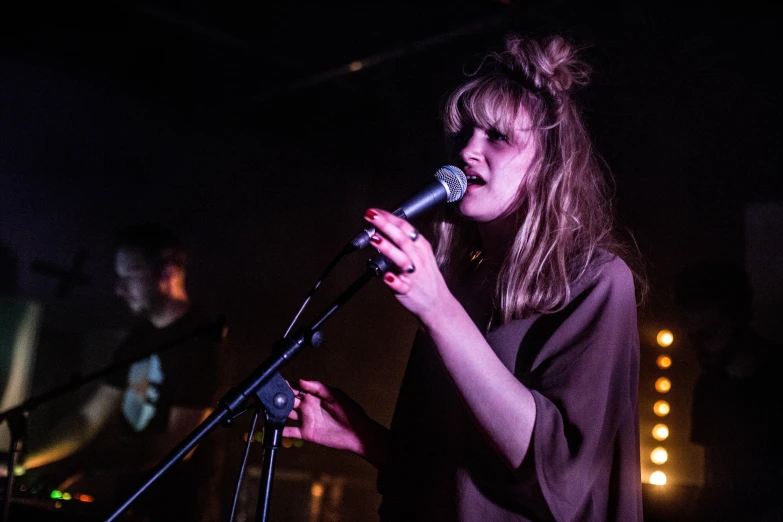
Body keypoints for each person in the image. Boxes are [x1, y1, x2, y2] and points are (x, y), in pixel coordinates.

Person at [284, 34, 645, 521]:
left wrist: (439, 312)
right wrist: (365, 437)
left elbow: (558, 476)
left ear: (548, 165)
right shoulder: (464, 285)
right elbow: (457, 481)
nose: (468, 150)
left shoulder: (598, 283)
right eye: (463, 135)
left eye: (497, 136)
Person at [22, 223, 226, 522]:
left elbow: (177, 447)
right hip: (129, 504)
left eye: (130, 275)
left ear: (168, 270)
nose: (118, 289)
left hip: (179, 511)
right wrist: (22, 463)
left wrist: (86, 464)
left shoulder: (205, 341)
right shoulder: (138, 338)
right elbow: (87, 419)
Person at [674, 260, 783, 522]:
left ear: (739, 319)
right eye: (692, 337)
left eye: (709, 334)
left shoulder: (777, 379)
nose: (698, 347)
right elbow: (711, 475)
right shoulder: (709, 387)